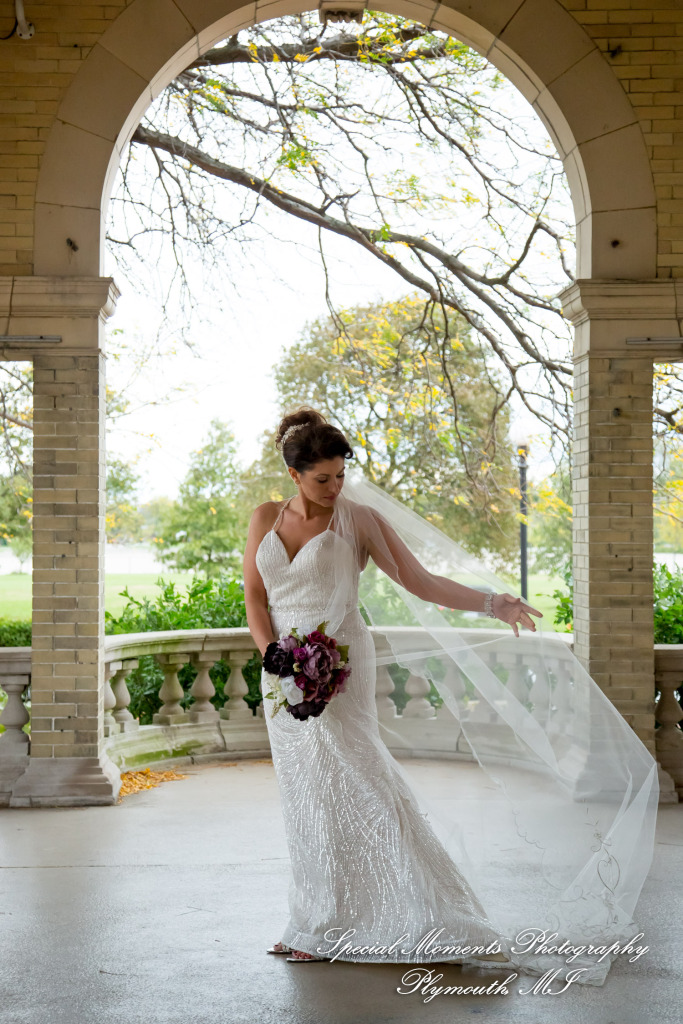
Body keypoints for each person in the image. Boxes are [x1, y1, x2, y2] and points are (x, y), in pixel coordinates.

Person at [243, 407, 658, 982]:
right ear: (294, 475)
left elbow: (422, 582)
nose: (336, 488)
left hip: (341, 666)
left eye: (341, 475)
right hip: (284, 673)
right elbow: (256, 598)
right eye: (323, 479)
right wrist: (274, 656)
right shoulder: (265, 517)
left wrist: (494, 602)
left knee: (364, 784)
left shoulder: (357, 521)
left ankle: (426, 915)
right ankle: (315, 923)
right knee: (307, 796)